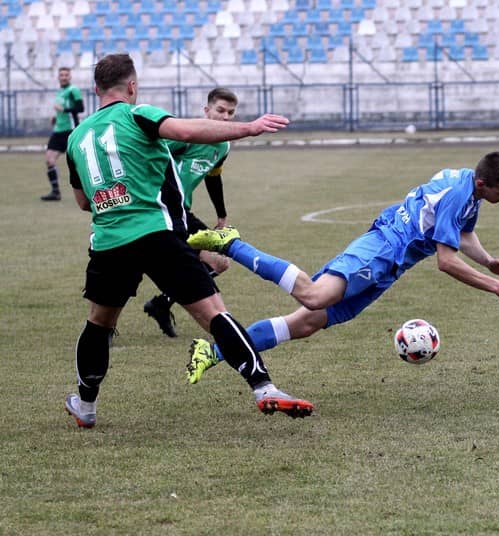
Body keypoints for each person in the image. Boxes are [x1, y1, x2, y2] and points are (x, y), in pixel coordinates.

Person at [62, 53, 312, 429]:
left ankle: (85, 405)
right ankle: (264, 388)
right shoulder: (138, 114)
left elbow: (83, 202)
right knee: (214, 313)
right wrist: (248, 128)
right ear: (132, 85)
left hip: (109, 241)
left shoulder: (76, 138)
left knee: (99, 322)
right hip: (155, 233)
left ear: (96, 90)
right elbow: (186, 132)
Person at [183, 151, 499, 385]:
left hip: (391, 263)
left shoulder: (467, 188)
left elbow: (462, 234)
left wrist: (489, 262)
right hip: (383, 248)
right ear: (482, 183)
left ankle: (213, 351)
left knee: (307, 323)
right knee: (314, 296)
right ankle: (231, 243)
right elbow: (446, 261)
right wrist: (497, 287)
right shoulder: (459, 195)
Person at [143, 87, 239, 338]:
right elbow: (150, 155)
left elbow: (213, 176)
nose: (225, 117)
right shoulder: (187, 136)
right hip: (160, 210)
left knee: (219, 262)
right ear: (206, 111)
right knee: (133, 267)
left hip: (181, 212)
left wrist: (221, 214)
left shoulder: (224, 146)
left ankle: (162, 303)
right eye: (220, 110)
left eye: (230, 113)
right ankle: (106, 324)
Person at [41, 67, 84, 201]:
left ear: (70, 77)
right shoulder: (59, 92)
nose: (64, 77)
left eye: (66, 75)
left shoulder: (73, 90)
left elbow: (80, 108)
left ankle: (88, 191)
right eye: (61, 75)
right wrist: (56, 116)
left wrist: (63, 110)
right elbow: (60, 109)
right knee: (49, 160)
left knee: (79, 163)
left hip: (70, 130)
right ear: (58, 77)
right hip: (58, 130)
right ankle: (55, 192)